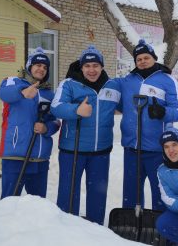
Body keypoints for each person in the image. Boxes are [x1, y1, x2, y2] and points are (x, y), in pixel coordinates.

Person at [51, 45, 120, 225]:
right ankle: (66, 226)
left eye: (96, 65)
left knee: (98, 193)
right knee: (68, 191)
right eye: (87, 66)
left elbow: (126, 106)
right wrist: (76, 110)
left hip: (101, 150)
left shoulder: (112, 86)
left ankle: (94, 228)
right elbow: (56, 107)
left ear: (102, 67)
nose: (92, 70)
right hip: (72, 149)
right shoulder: (68, 84)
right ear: (81, 67)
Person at [115, 39, 178, 211]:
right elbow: (119, 104)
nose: (142, 61)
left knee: (160, 191)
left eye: (146, 57)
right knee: (130, 192)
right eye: (138, 59)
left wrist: (163, 112)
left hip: (157, 149)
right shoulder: (127, 81)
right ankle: (130, 223)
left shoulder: (168, 80)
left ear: (154, 58)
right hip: (132, 148)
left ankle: (159, 227)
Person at [0, 47, 60, 199]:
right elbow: (3, 93)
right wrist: (22, 92)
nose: (41, 69)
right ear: (29, 66)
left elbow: (56, 121)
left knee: (37, 206)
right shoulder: (13, 82)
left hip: (40, 158)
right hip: (15, 155)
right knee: (8, 202)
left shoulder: (49, 94)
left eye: (45, 67)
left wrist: (46, 128)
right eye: (38, 65)